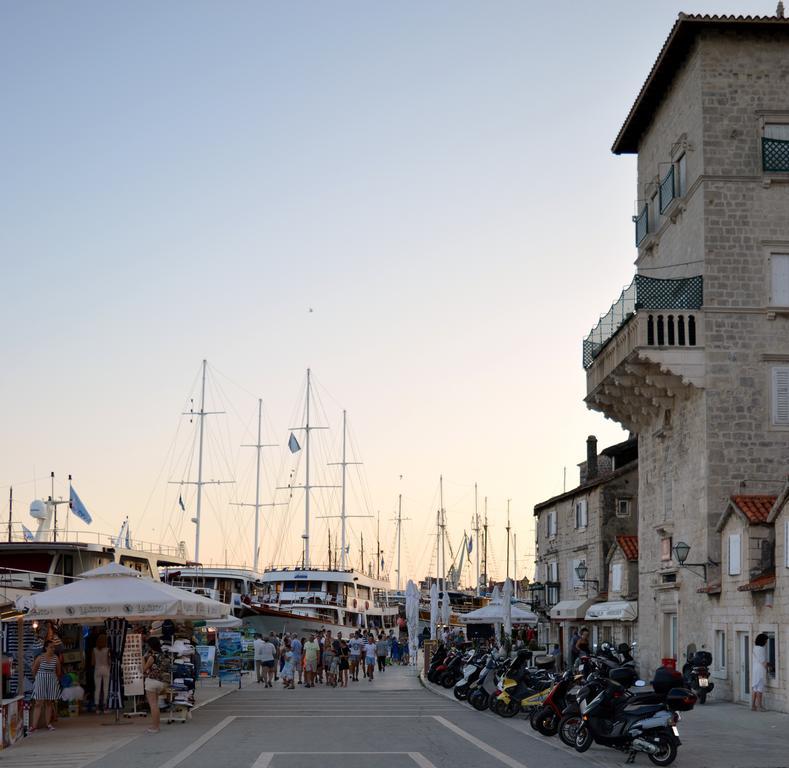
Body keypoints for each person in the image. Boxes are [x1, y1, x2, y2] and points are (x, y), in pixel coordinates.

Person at [31, 640, 62, 732]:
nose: (53, 649)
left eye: (54, 647)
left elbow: (58, 671)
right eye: (51, 647)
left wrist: (54, 679)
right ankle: (34, 726)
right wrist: (37, 678)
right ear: (46, 648)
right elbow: (34, 669)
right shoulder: (40, 658)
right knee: (38, 703)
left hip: (51, 680)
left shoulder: (55, 658)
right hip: (40, 679)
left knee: (49, 702)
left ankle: (48, 723)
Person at [143, 637, 170, 734]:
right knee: (156, 704)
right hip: (161, 682)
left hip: (151, 682)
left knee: (153, 705)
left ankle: (155, 727)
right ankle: (156, 725)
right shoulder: (163, 655)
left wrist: (142, 659)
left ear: (150, 646)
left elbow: (143, 669)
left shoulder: (152, 657)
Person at [92, 634, 110, 714]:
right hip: (106, 669)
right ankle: (105, 707)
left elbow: (92, 662)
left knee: (97, 689)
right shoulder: (107, 650)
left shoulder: (94, 650)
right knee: (106, 688)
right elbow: (109, 661)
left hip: (97, 669)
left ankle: (97, 708)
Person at [752, 633, 770, 711]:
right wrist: (768, 669)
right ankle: (760, 706)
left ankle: (753, 706)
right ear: (763, 641)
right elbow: (763, 662)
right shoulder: (761, 649)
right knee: (760, 689)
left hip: (755, 669)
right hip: (760, 670)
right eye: (766, 640)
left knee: (755, 688)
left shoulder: (755, 648)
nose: (766, 642)